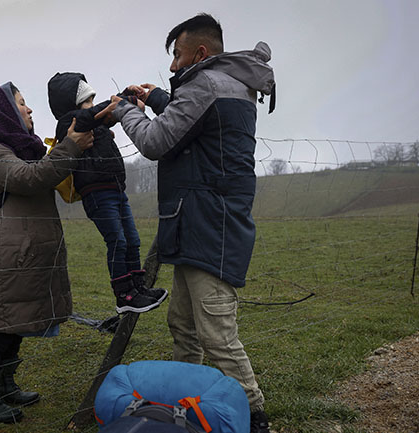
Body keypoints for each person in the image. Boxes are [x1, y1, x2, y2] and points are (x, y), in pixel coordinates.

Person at [94, 13, 276, 433]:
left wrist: (125, 110)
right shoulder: (226, 82)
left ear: (200, 52)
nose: (173, 65)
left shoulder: (208, 84)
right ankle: (186, 398)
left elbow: (157, 142)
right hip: (203, 222)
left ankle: (255, 412)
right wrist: (157, 97)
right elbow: (197, 120)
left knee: (216, 332)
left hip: (208, 226)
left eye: (177, 55)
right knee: (183, 322)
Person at [0, 81, 94, 423]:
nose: (29, 109)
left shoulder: (28, 148)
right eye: (21, 104)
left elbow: (44, 170)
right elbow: (31, 178)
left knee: (15, 324)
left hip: (22, 254)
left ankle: (5, 384)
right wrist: (70, 146)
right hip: (4, 255)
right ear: (5, 113)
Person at [47, 72, 167, 314]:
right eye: (87, 100)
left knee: (132, 240)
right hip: (96, 192)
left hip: (115, 188)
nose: (92, 105)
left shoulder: (93, 119)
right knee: (117, 241)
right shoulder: (69, 123)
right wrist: (122, 99)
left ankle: (138, 288)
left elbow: (107, 113)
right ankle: (124, 295)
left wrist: (127, 95)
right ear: (72, 104)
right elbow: (92, 114)